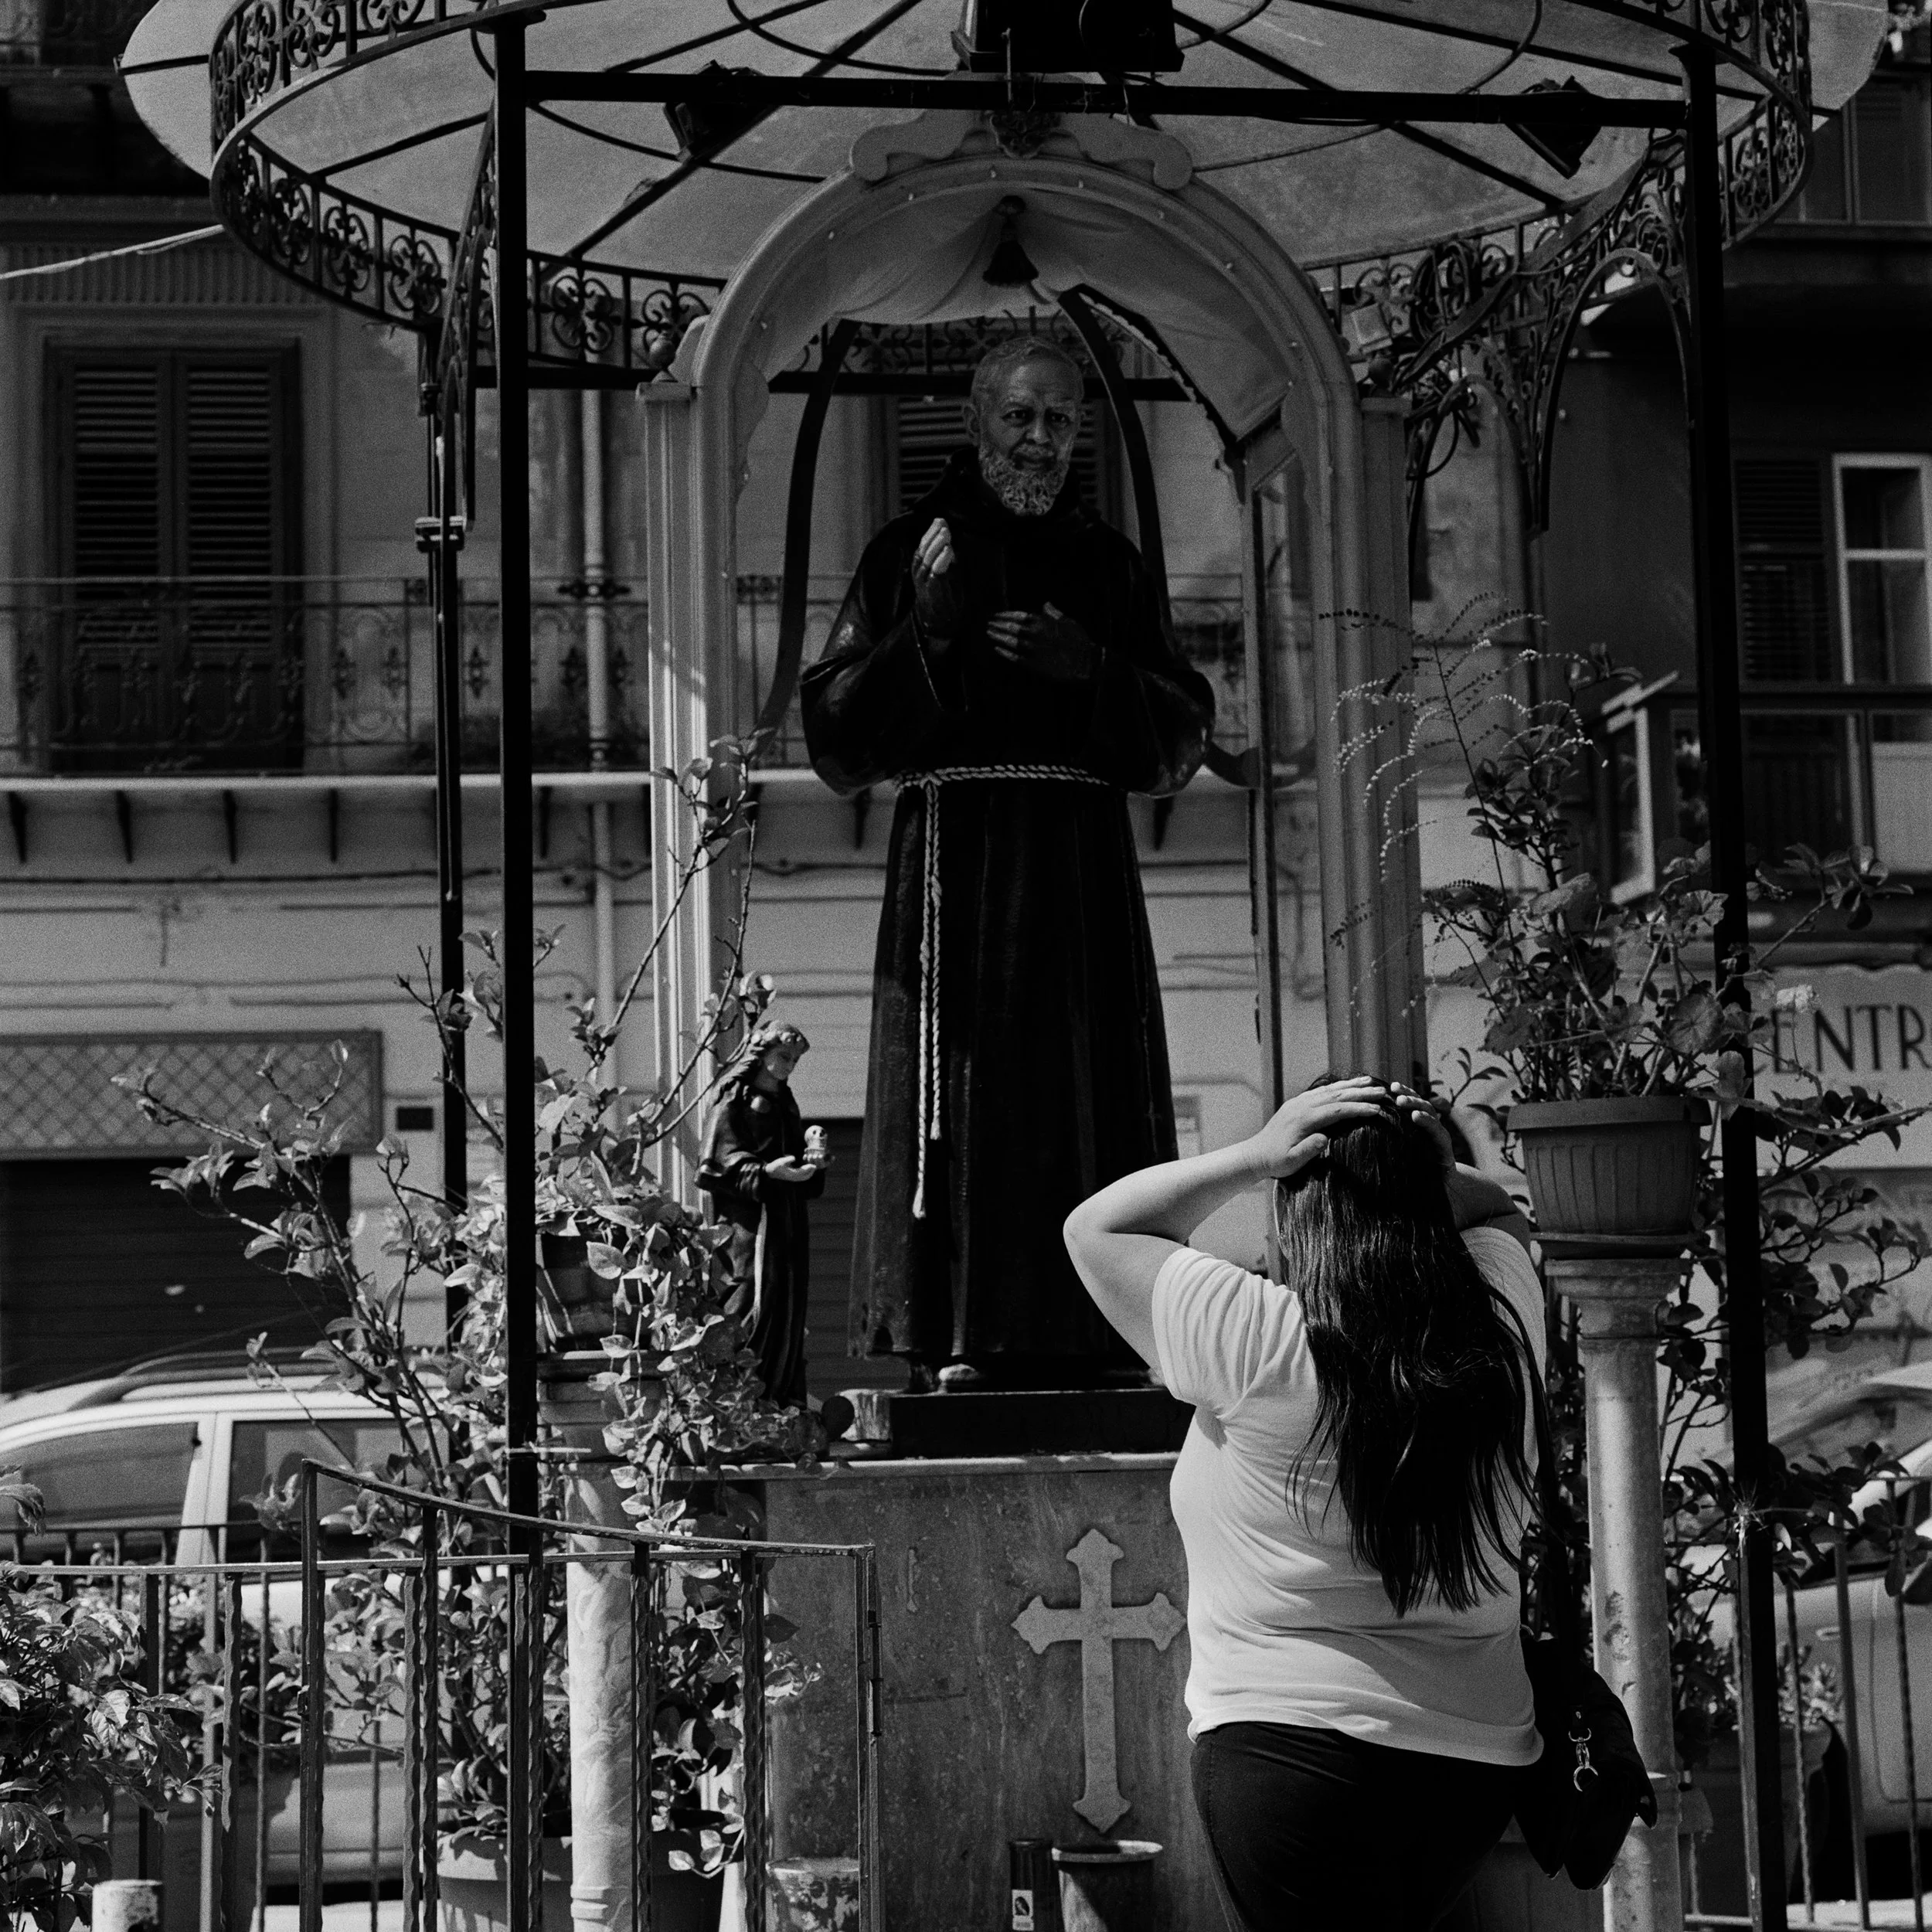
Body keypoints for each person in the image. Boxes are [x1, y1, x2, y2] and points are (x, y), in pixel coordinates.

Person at [801, 334, 1212, 1390]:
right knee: (970, 1101)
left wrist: (1095, 673)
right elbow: (837, 735)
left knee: (1087, 1094)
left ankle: (1099, 1332)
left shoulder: (1111, 567)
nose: (1040, 441)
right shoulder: (910, 554)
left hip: (1080, 874)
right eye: (1020, 417)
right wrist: (926, 639)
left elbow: (1179, 735)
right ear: (978, 419)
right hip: (959, 866)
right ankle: (959, 1335)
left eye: (1061, 421)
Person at [1063, 1075, 1544, 1929]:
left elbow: (1097, 1225)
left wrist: (1255, 1153)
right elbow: (1503, 1215)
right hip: (1470, 1763)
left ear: (1297, 1205)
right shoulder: (1501, 1332)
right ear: (1433, 1191)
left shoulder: (1257, 1337)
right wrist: (1426, 1161)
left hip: (1287, 1751)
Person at [697, 1022, 826, 1409]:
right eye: (784, 1057)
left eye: (795, 1060)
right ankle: (737, 1395)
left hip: (786, 1218)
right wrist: (766, 1172)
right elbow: (716, 1162)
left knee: (784, 1300)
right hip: (747, 1224)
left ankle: (779, 1392)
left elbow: (795, 1159)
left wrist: (812, 1166)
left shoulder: (787, 1104)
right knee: (748, 1291)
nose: (789, 1066)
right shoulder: (733, 1097)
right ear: (762, 1053)